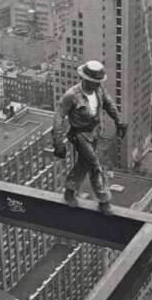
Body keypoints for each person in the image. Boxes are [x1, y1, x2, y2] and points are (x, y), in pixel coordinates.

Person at [52, 60, 127, 215]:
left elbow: (109, 104)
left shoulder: (99, 90)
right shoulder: (72, 95)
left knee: (84, 163)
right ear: (85, 79)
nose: (96, 85)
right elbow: (58, 117)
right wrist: (58, 142)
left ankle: (69, 190)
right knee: (95, 164)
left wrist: (119, 121)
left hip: (95, 132)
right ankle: (104, 200)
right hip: (79, 135)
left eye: (98, 82)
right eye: (93, 81)